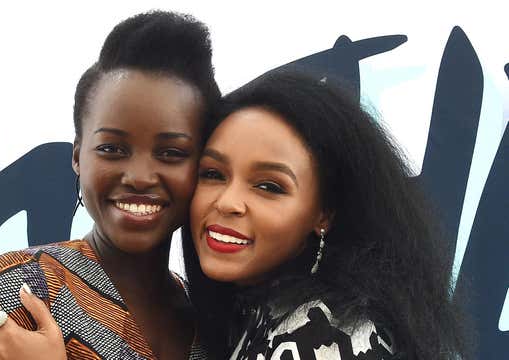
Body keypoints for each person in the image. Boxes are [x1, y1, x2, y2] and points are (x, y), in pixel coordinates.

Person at [0, 10, 219, 360]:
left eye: (170, 152)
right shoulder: (27, 288)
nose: (138, 176)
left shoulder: (209, 319)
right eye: (112, 148)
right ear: (78, 156)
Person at [181, 70, 472, 359]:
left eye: (269, 186)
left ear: (324, 214)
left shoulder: (326, 336)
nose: (228, 202)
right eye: (213, 174)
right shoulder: (255, 312)